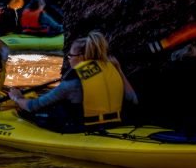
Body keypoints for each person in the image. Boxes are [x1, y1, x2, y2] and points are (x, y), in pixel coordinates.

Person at [8, 30, 138, 132]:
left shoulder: (73, 82)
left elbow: (33, 106)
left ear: (81, 57)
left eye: (70, 55)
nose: (69, 59)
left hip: (82, 129)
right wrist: (120, 71)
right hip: (115, 124)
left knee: (30, 113)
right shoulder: (111, 68)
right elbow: (133, 99)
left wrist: (17, 98)